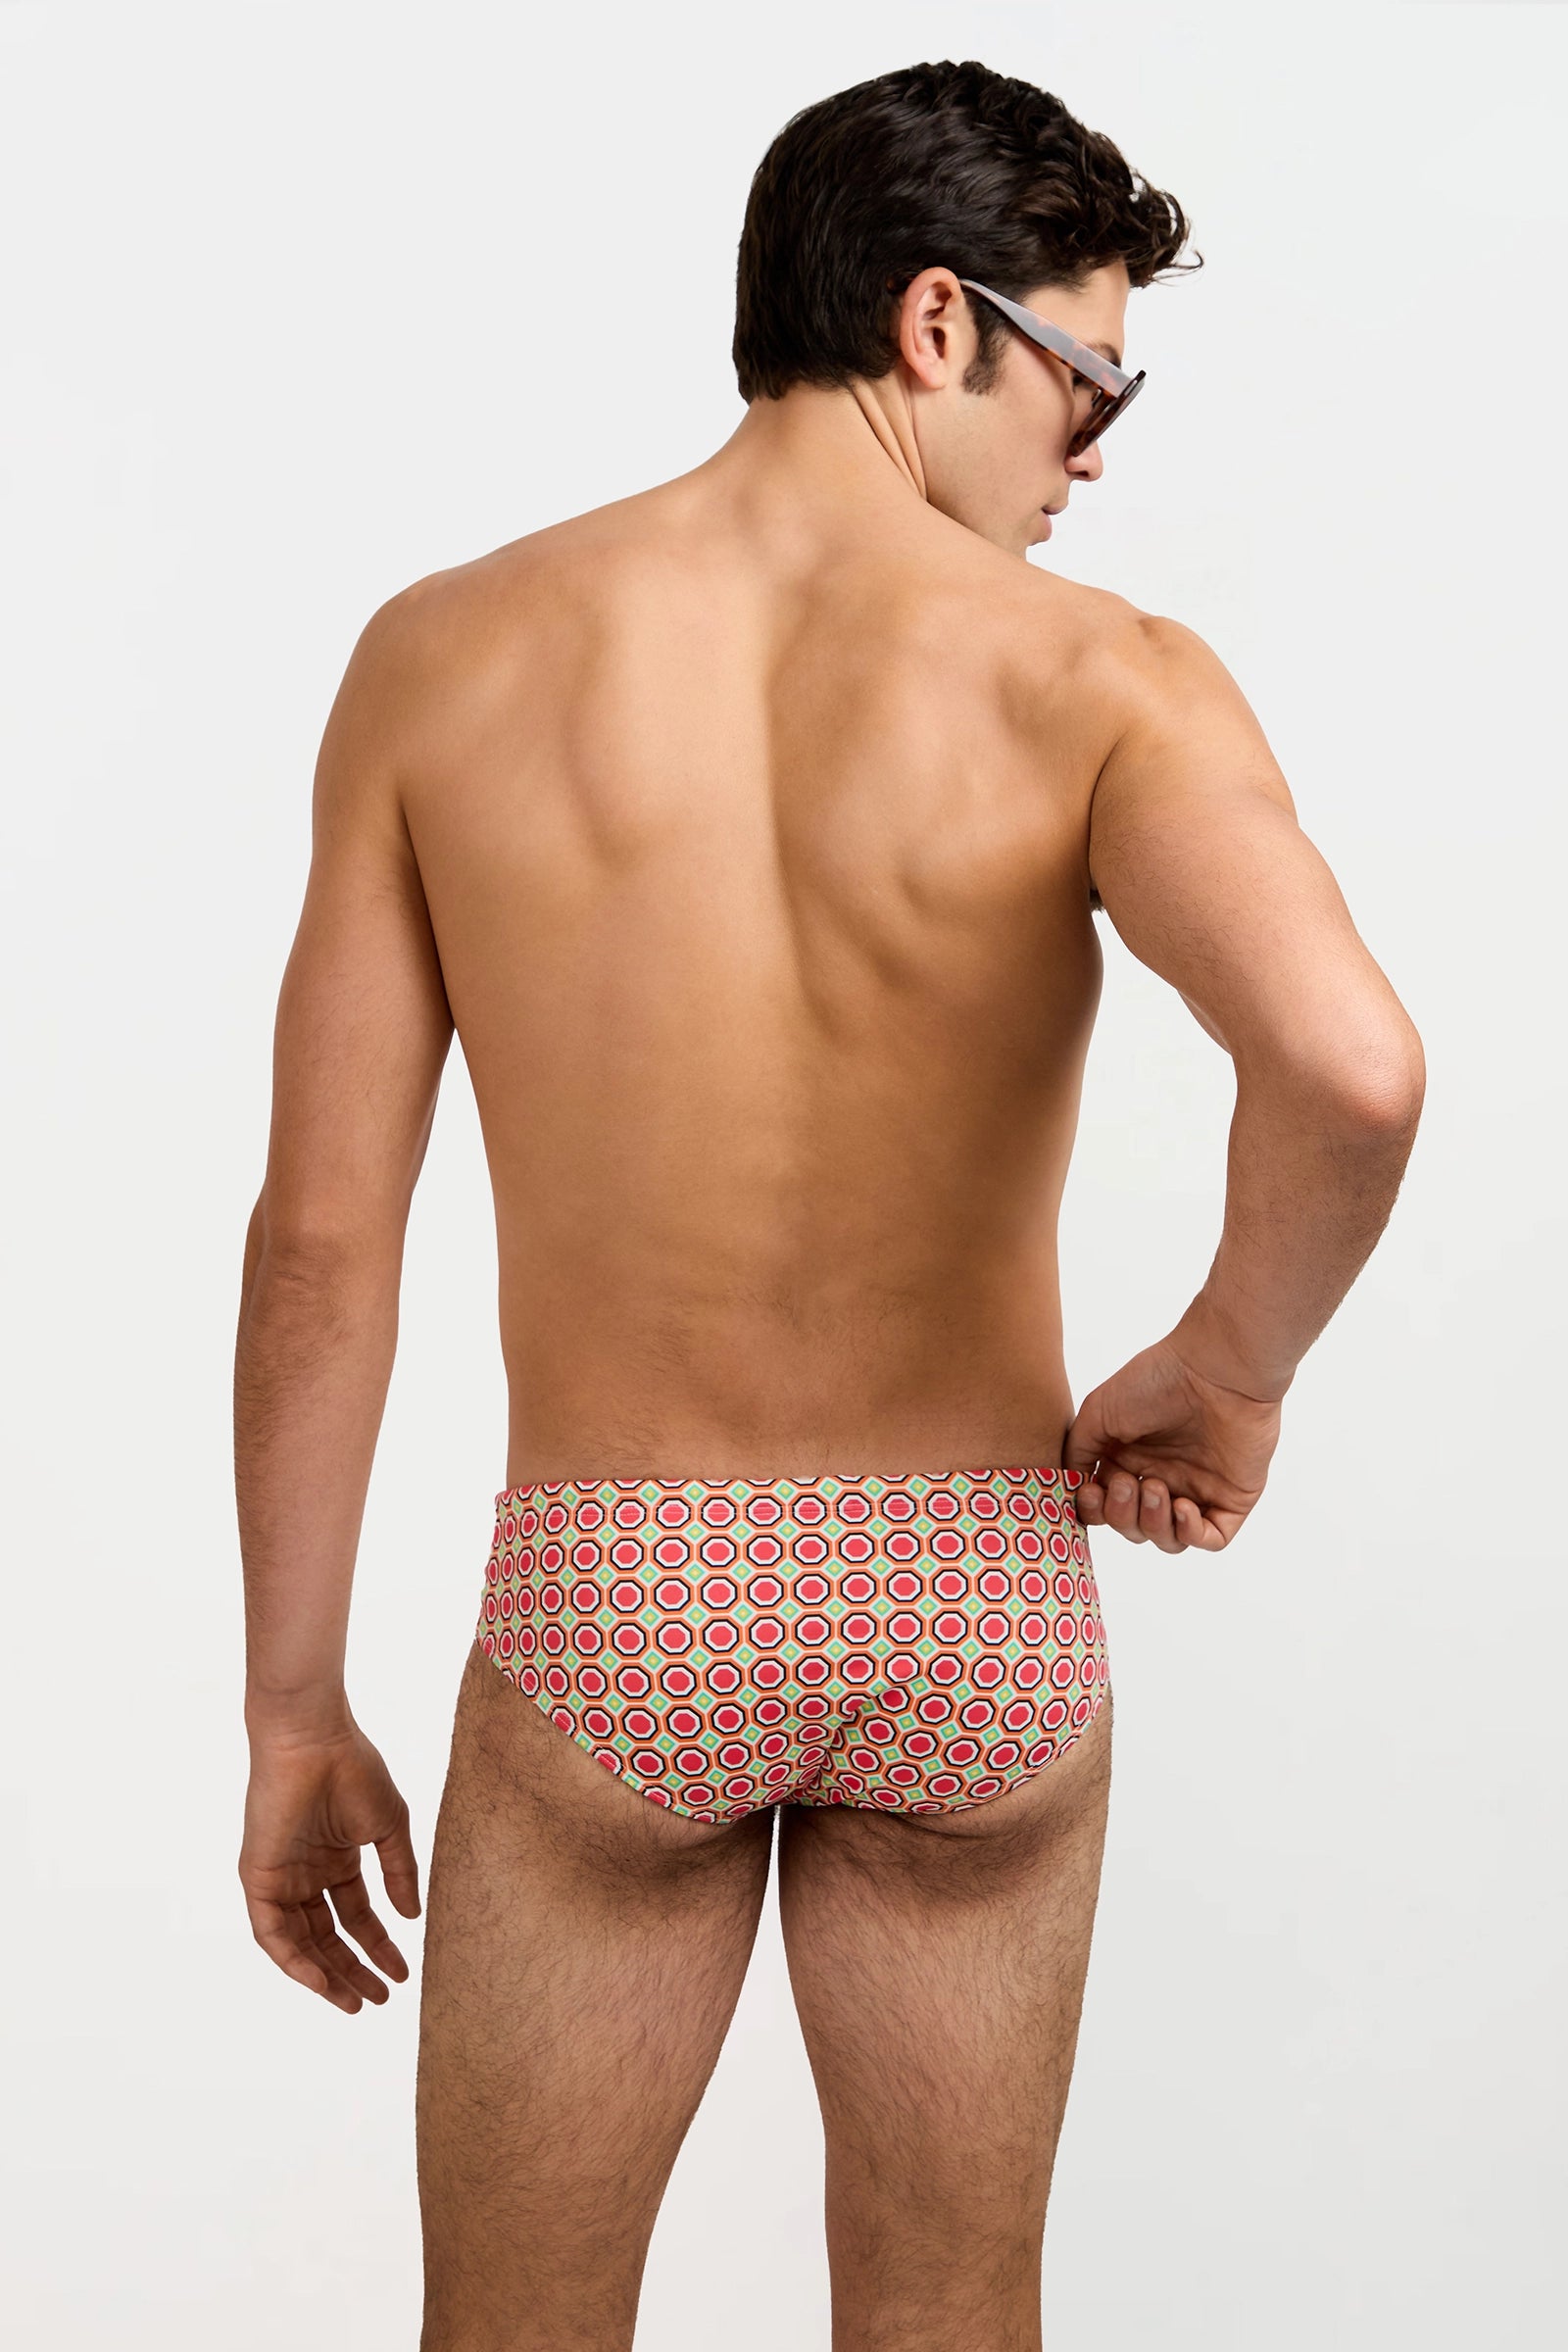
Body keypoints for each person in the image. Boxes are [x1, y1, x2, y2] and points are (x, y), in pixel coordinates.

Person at [234, 56, 1425, 2352]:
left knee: (512, 2323)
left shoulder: (445, 656)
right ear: (932, 324)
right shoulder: (1100, 684)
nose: (1096, 455)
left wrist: (296, 1706)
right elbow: (1352, 1070)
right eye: (1086, 377)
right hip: (963, 1583)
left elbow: (322, 1242)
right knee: (956, 2314)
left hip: (622, 1590)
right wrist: (1226, 1371)